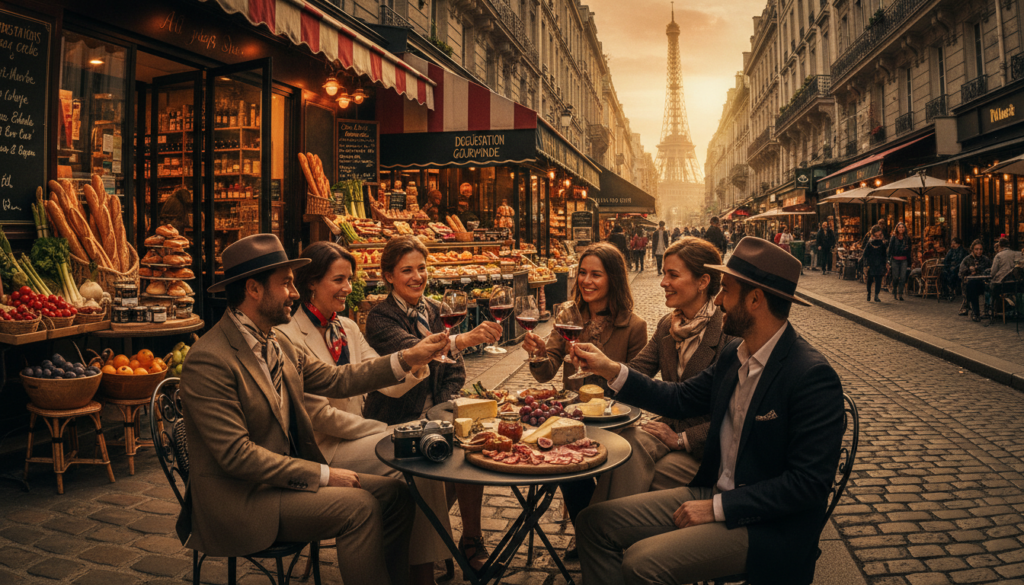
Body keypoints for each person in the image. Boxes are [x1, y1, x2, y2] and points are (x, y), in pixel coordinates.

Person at [177, 234, 450, 585]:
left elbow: (338, 379)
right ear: (253, 289)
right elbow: (236, 456)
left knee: (395, 495)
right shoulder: (209, 359)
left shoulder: (276, 342)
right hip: (241, 500)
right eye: (286, 284)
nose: (294, 293)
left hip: (282, 482)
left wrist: (408, 357)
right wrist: (322, 475)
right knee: (360, 507)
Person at [572, 236, 845, 585]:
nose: (718, 299)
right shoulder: (737, 355)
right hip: (712, 490)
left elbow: (807, 485)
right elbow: (679, 398)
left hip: (766, 525)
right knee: (592, 523)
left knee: (640, 563)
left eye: (726, 290)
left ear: (756, 299)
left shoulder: (809, 375)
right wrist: (611, 368)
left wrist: (718, 508)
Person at [277, 241, 452, 585]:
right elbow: (318, 415)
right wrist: (378, 430)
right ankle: (417, 572)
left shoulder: (348, 327)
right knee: (417, 452)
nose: (348, 288)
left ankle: (420, 571)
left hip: (357, 439)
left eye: (350, 279)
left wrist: (417, 360)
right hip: (323, 449)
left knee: (427, 448)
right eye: (339, 280)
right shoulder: (288, 335)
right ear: (311, 282)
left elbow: (384, 380)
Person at [362, 236, 502, 569]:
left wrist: (444, 408)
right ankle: (429, 542)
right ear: (389, 277)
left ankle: (470, 540)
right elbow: (417, 352)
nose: (417, 277)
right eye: (406, 270)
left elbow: (455, 371)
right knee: (448, 454)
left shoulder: (435, 310)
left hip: (433, 412)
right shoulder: (380, 318)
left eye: (422, 268)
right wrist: (464, 339)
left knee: (473, 447)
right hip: (397, 418)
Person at [591, 237, 732, 506]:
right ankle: (598, 531)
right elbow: (636, 372)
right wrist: (603, 365)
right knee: (623, 446)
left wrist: (683, 438)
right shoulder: (668, 325)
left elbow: (736, 415)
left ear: (703, 282)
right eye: (664, 273)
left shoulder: (728, 332)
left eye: (673, 275)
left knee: (627, 463)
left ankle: (597, 532)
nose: (663, 282)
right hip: (664, 435)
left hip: (709, 452)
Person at [521, 242, 647, 539]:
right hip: (572, 421)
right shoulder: (568, 317)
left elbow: (638, 385)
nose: (586, 281)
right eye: (583, 273)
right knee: (572, 473)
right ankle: (589, 536)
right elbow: (548, 369)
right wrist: (538, 353)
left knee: (611, 470)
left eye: (596, 275)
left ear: (613, 278)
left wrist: (601, 368)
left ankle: (603, 535)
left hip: (614, 422)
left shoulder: (634, 326)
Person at [986, 237, 1021, 318]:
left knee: (988, 288)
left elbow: (993, 273)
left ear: (1000, 246)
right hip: (1016, 285)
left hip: (1002, 285)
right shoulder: (1018, 253)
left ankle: (993, 309)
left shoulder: (998, 256)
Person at [959, 239, 992, 321]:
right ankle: (976, 312)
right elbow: (960, 273)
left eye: (980, 249)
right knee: (971, 286)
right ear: (972, 250)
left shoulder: (985, 259)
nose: (979, 251)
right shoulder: (967, 259)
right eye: (976, 249)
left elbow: (991, 269)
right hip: (971, 283)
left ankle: (987, 311)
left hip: (984, 283)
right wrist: (969, 271)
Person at [887, 222, 911, 301]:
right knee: (896, 277)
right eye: (899, 227)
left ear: (905, 229)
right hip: (895, 260)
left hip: (904, 260)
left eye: (902, 227)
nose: (901, 229)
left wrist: (909, 264)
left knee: (903, 277)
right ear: (897, 229)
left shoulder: (907, 238)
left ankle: (900, 294)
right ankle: (894, 290)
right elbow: (890, 249)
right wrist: (888, 260)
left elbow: (909, 252)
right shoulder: (894, 238)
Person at [863, 225, 887, 302]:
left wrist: (885, 263)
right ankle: (869, 293)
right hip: (871, 263)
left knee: (878, 280)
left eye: (879, 231)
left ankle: (876, 295)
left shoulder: (882, 242)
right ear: (874, 232)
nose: (879, 233)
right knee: (870, 280)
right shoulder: (870, 241)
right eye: (877, 231)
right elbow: (865, 254)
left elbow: (884, 254)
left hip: (879, 263)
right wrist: (866, 264)